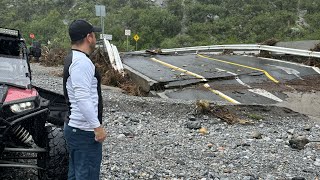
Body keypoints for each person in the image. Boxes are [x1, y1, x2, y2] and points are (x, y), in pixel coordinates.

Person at [63, 19, 107, 180]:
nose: (95, 38)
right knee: (87, 174)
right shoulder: (82, 63)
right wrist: (97, 127)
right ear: (89, 37)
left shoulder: (73, 58)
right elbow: (82, 98)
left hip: (75, 127)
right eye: (94, 34)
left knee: (76, 174)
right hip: (83, 131)